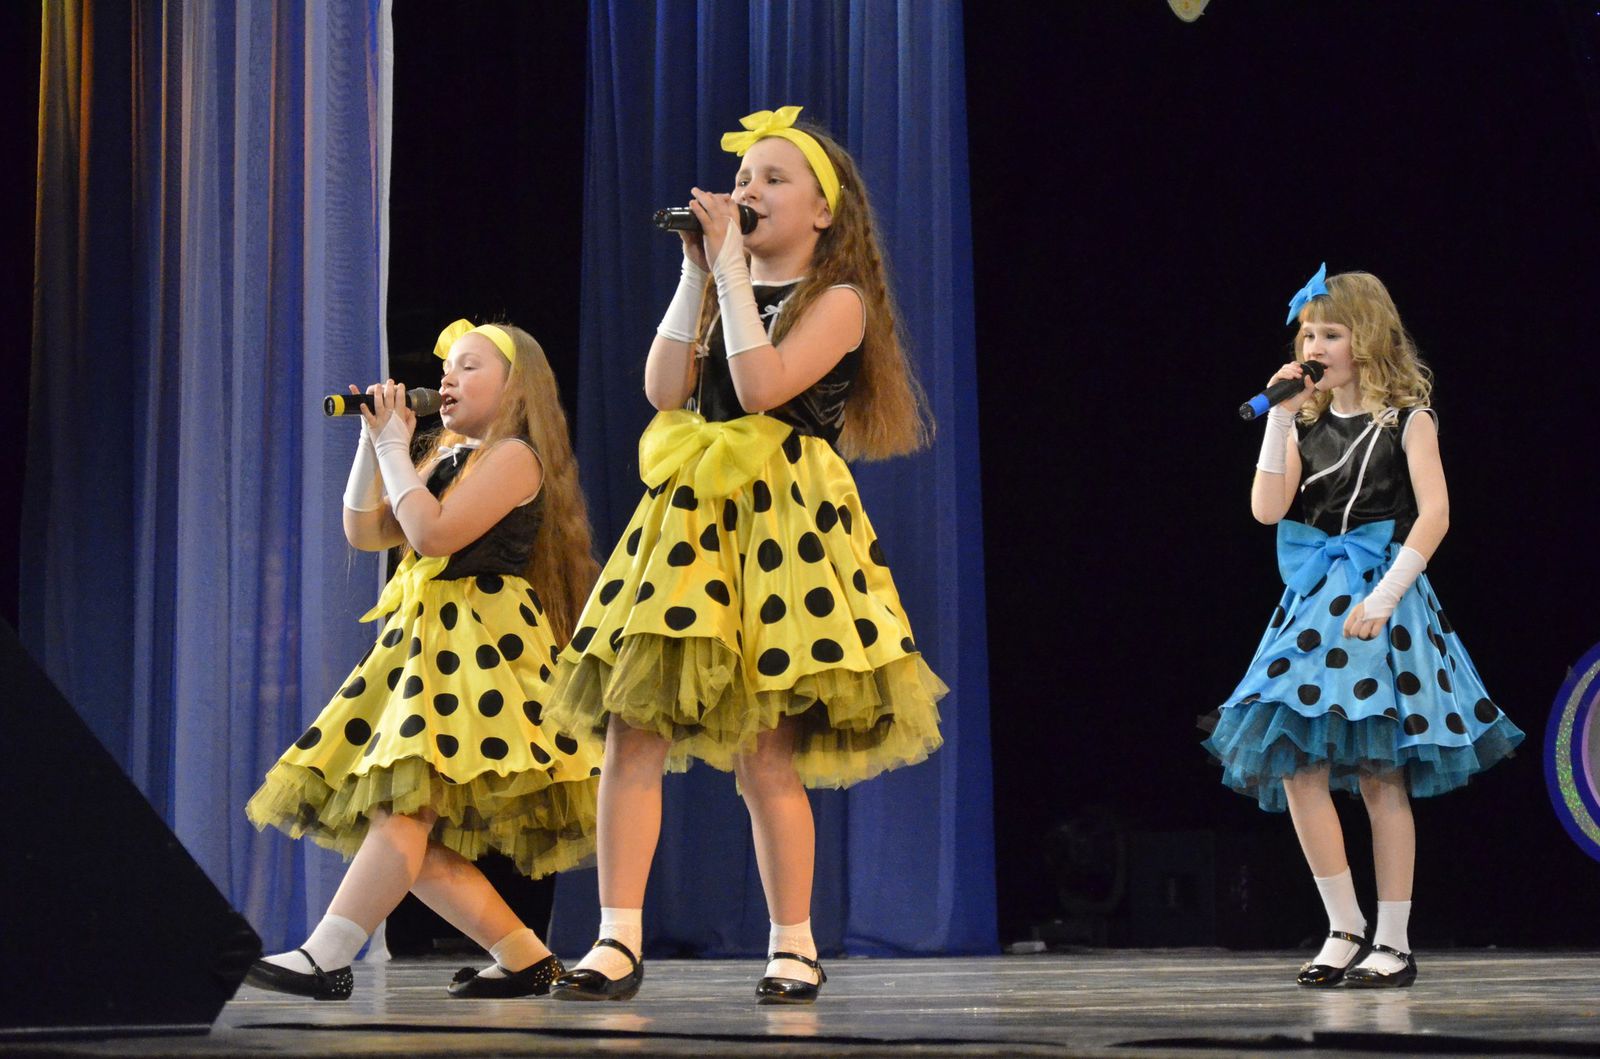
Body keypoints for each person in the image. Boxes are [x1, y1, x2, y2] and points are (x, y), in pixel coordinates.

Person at [544, 106, 946, 1004]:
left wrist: (728, 267)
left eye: (772, 179)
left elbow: (762, 385)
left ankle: (793, 943)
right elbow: (663, 389)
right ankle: (616, 936)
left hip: (783, 530)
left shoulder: (839, 302)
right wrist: (698, 271)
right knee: (631, 727)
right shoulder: (719, 279)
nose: (747, 191)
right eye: (742, 178)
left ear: (823, 212)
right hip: (691, 525)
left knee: (766, 752)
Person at [244, 320, 603, 1000]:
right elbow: (367, 529)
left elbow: (433, 535)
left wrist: (392, 447)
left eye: (469, 366)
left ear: (515, 387)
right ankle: (524, 955)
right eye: (448, 367)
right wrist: (372, 445)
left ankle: (327, 956)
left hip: (479, 647)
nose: (447, 378)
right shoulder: (445, 455)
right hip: (427, 641)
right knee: (407, 822)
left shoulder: (515, 457)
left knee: (401, 809)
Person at [1204, 266, 1523, 988]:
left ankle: (1394, 940)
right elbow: (1267, 510)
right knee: (1295, 761)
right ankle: (1343, 925)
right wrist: (1280, 416)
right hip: (1315, 600)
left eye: (1331, 334)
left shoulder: (1408, 420)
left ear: (1367, 338)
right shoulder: (1304, 423)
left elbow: (1436, 514)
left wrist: (1385, 596)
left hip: (1384, 594)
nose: (1314, 347)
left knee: (1382, 774)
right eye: (1307, 334)